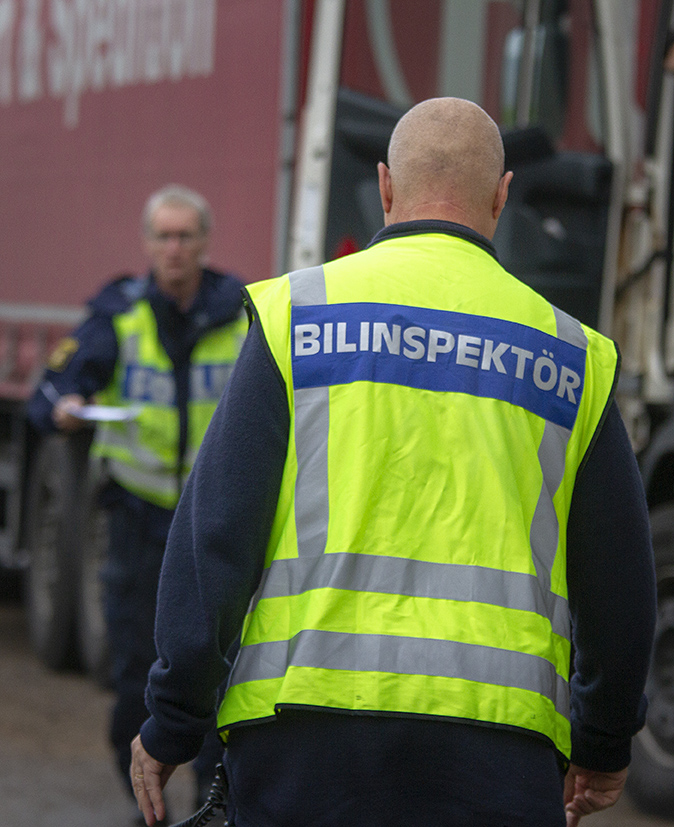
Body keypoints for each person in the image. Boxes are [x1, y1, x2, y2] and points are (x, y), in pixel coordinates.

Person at [129, 100, 656, 827]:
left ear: (383, 187)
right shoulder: (573, 358)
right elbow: (620, 584)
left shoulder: (297, 317)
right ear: (502, 195)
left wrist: (174, 718)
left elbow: (215, 536)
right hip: (496, 759)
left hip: (306, 746)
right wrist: (603, 738)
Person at [28, 184, 247, 822]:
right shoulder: (118, 314)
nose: (174, 248)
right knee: (135, 672)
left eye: (186, 236)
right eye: (163, 236)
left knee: (218, 666)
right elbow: (52, 389)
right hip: (140, 522)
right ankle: (142, 802)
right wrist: (65, 407)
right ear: (147, 244)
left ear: (204, 243)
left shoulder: (240, 310)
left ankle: (211, 801)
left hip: (211, 523)